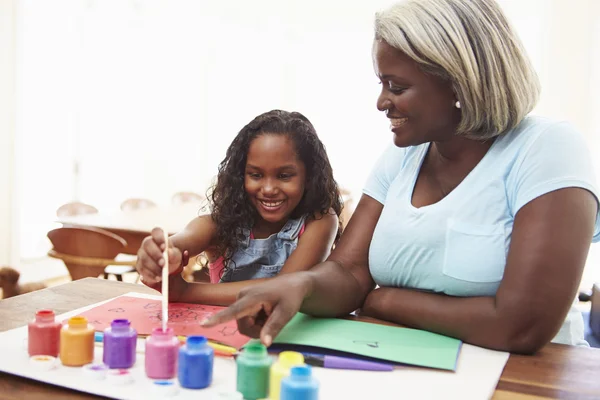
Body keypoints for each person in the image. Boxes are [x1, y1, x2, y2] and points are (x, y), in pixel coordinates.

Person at [202, 0, 600, 354]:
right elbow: (348, 272)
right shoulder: (402, 157)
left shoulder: (547, 149)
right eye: (382, 84)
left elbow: (522, 325)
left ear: (458, 82)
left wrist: (385, 300)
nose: (381, 102)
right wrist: (300, 286)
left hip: (525, 383)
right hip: (409, 366)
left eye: (397, 86)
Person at [135, 110, 342, 306]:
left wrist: (185, 292)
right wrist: (159, 253)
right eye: (256, 175)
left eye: (284, 176)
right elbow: (183, 240)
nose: (268, 189)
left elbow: (284, 288)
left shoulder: (320, 221)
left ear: (309, 177)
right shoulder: (220, 224)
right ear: (240, 176)